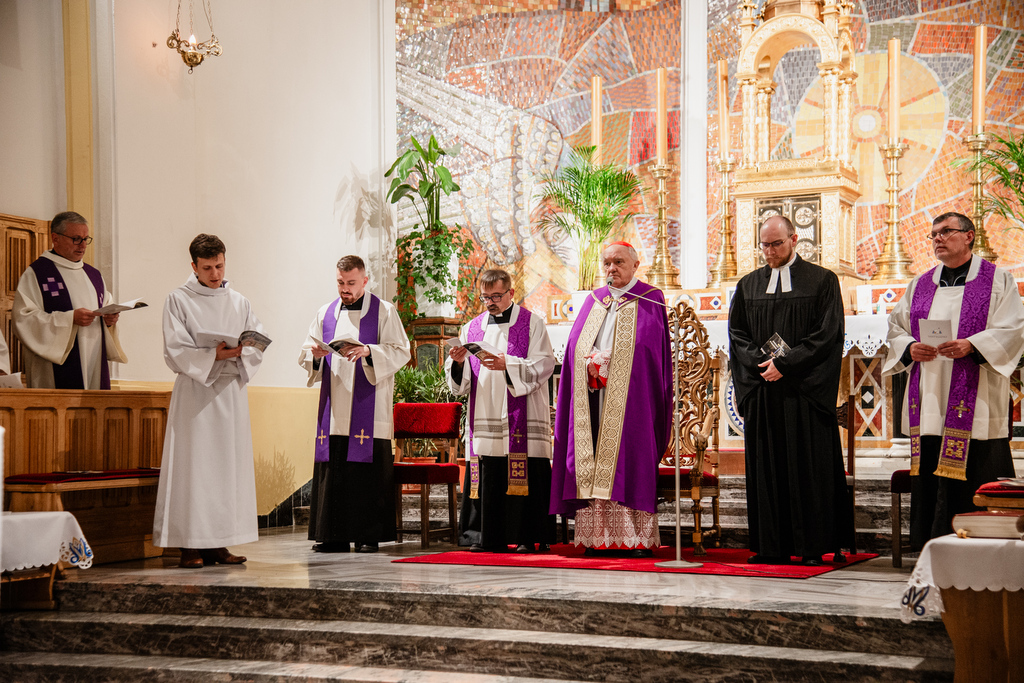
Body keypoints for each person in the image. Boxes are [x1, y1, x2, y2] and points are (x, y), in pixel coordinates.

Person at [884, 211, 1024, 549]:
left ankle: (983, 546)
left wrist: (972, 345)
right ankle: (929, 544)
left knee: (977, 467)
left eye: (946, 232)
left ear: (969, 235)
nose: (937, 239)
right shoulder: (920, 284)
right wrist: (910, 347)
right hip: (930, 394)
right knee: (931, 468)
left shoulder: (997, 280)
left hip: (976, 399)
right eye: (933, 235)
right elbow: (896, 327)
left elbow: (1013, 328)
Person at [728, 215, 853, 566]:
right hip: (765, 391)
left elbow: (828, 335)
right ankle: (772, 545)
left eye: (776, 244)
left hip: (804, 392)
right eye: (764, 245)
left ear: (794, 239)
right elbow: (737, 335)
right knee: (767, 468)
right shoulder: (749, 284)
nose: (769, 251)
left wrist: (786, 364)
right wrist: (760, 364)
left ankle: (813, 546)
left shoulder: (822, 280)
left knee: (808, 469)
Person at [550, 242, 672, 558]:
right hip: (594, 397)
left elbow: (650, 354)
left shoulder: (651, 298)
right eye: (606, 263)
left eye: (618, 262)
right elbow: (575, 348)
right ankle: (597, 539)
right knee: (592, 464)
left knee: (628, 463)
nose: (611, 269)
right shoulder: (594, 301)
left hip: (633, 402)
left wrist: (614, 362)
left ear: (635, 265)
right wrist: (589, 363)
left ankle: (633, 540)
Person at [153, 234, 266, 568]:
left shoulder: (239, 301)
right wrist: (210, 355)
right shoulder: (178, 300)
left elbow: (256, 341)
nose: (215, 274)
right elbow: (174, 349)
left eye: (219, 265)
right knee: (195, 468)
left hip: (230, 393)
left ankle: (219, 543)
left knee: (225, 469)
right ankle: (189, 545)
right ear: (194, 267)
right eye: (207, 268)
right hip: (196, 393)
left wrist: (243, 350)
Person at [300, 255, 410, 553]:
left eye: (351, 283)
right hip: (334, 408)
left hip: (368, 408)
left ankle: (367, 535)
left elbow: (401, 352)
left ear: (365, 280)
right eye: (340, 282)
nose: (345, 289)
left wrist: (368, 351)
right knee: (334, 470)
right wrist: (315, 356)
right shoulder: (326, 313)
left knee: (365, 476)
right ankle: (332, 535)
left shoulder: (384, 312)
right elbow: (307, 350)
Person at [445, 268, 556, 553]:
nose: (491, 302)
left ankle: (526, 536)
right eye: (486, 297)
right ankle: (484, 535)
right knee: (490, 471)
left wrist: (510, 364)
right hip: (486, 412)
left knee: (524, 470)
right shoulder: (472, 328)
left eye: (497, 296)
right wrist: (458, 362)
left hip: (523, 414)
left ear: (511, 293)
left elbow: (544, 365)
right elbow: (462, 381)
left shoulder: (532, 323)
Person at [12, 211, 127, 388]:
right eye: (76, 238)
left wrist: (110, 320)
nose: (82, 245)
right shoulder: (38, 273)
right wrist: (70, 319)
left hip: (93, 358)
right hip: (57, 367)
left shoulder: (93, 275)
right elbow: (24, 319)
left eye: (86, 239)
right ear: (55, 238)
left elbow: (106, 307)